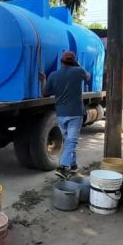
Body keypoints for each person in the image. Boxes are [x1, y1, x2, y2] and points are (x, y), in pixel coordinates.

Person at [40, 51, 91, 179]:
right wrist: (77, 64)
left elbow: (44, 93)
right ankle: (63, 167)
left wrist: (43, 79)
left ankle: (73, 166)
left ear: (61, 62)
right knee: (71, 142)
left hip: (61, 114)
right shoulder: (78, 71)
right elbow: (88, 77)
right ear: (73, 62)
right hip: (75, 113)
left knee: (69, 141)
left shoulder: (53, 75)